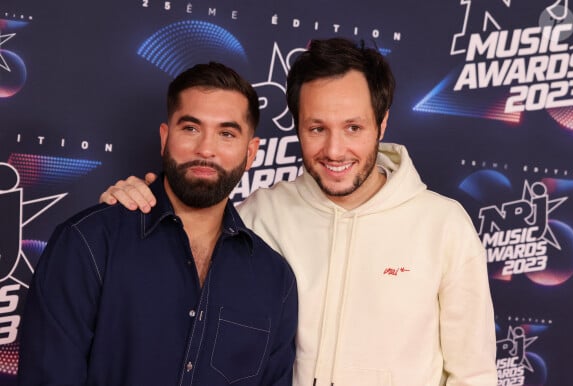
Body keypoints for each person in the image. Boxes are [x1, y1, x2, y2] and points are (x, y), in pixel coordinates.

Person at [100, 38, 497, 385]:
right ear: (296, 128)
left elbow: (473, 376)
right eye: (316, 128)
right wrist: (134, 199)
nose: (335, 150)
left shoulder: (444, 226)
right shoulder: (260, 215)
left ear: (382, 123)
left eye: (353, 128)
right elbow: (181, 241)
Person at [18, 62, 298, 386]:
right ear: (165, 137)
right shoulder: (88, 244)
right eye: (191, 128)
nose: (206, 148)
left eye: (226, 133)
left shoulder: (274, 280)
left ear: (250, 153)